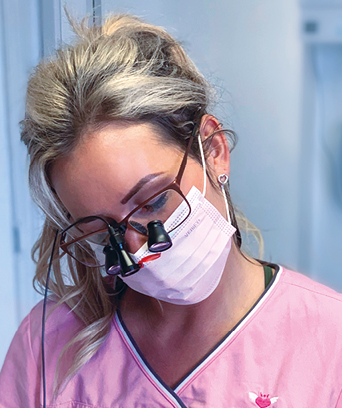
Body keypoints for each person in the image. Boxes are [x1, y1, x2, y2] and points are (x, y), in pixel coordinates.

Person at [1, 13, 342, 408]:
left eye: (153, 203)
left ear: (214, 151)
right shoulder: (48, 346)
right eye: (101, 231)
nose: (137, 250)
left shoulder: (329, 342)